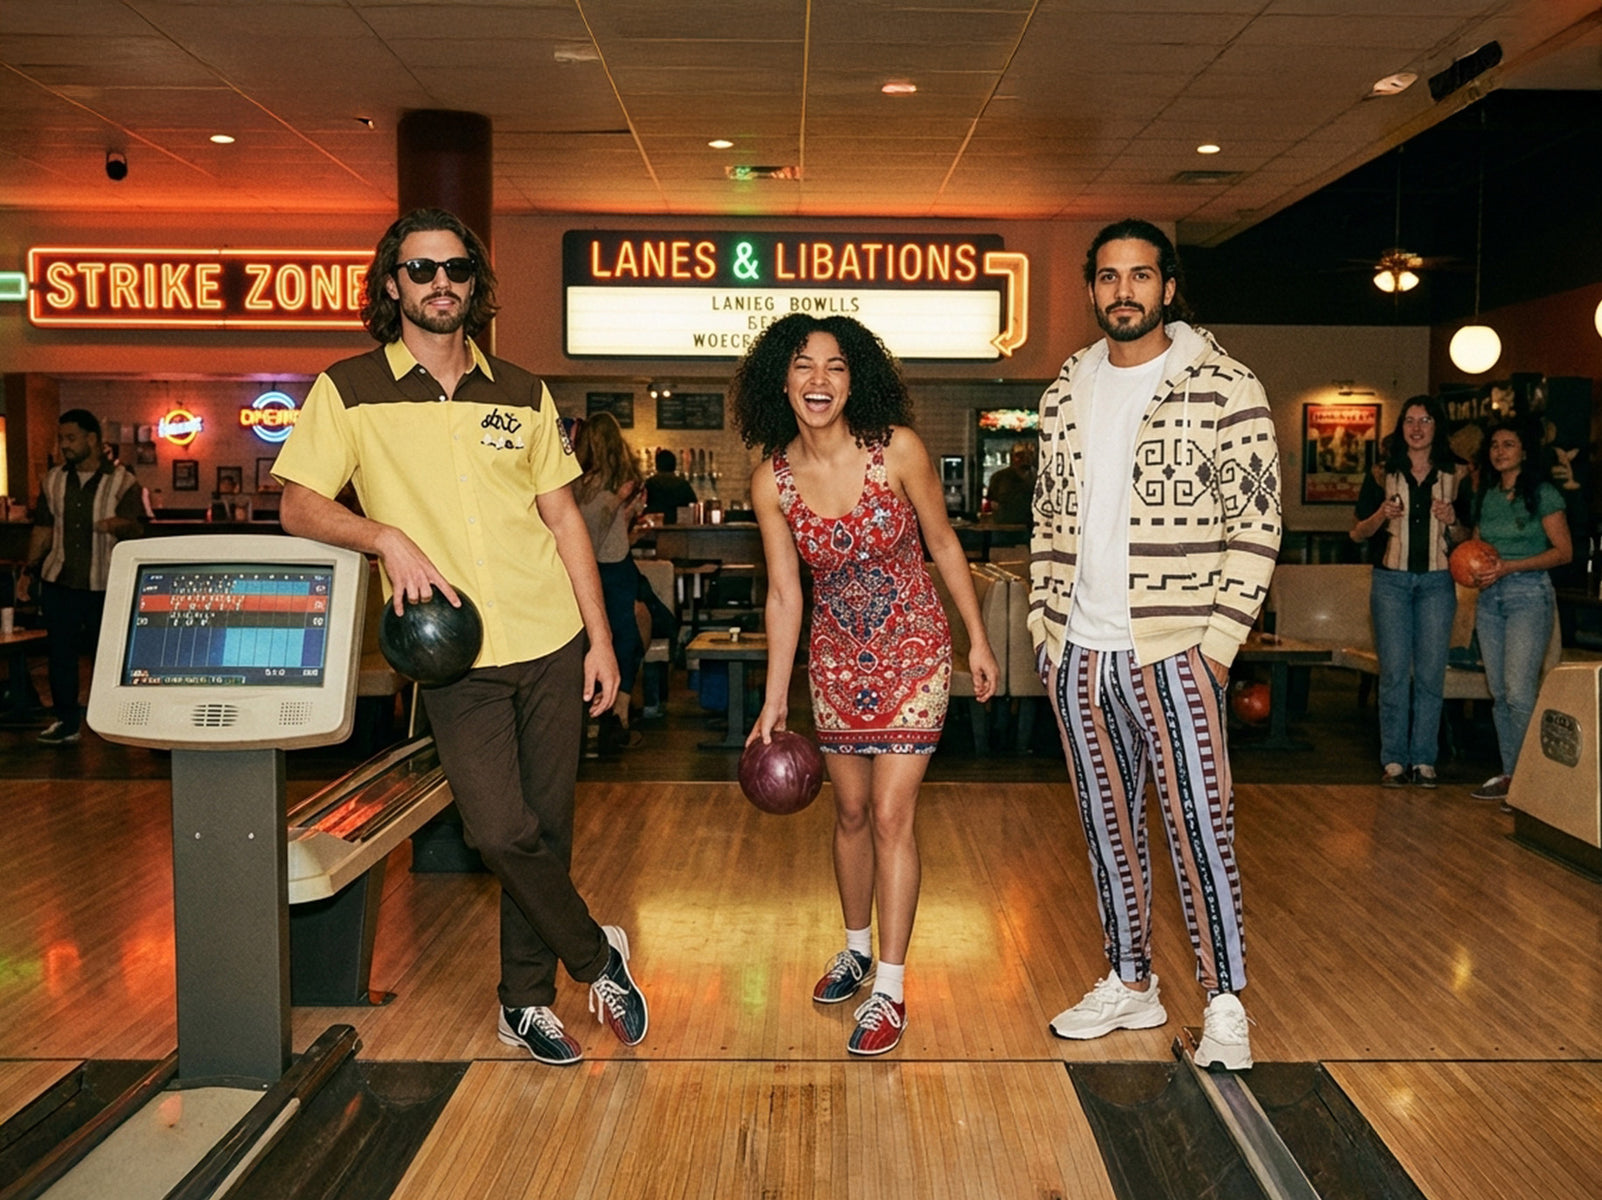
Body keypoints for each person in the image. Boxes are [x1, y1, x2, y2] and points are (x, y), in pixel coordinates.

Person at [273, 207, 647, 1066]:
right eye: (419, 269)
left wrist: (601, 640)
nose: (439, 282)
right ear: (392, 284)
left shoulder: (520, 389)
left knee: (547, 832)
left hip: (551, 639)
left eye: (455, 269)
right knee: (497, 831)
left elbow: (563, 523)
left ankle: (526, 1001)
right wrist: (384, 537)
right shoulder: (351, 388)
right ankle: (597, 955)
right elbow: (297, 502)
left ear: (474, 285)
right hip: (453, 656)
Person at [1028, 218, 1280, 1071]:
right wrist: (1044, 628)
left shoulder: (1224, 384)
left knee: (1200, 827)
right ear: (1092, 288)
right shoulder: (1065, 390)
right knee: (1107, 829)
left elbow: (1258, 520)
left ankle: (1223, 1002)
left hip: (1177, 648)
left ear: (1168, 286)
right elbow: (1047, 518)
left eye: (1140, 275)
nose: (1123, 291)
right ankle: (1131, 979)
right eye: (1107, 277)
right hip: (1080, 650)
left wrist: (1216, 646)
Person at [732, 312, 999, 1057]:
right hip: (836, 660)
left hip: (914, 650)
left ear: (857, 380)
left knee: (888, 816)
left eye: (837, 367)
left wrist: (976, 639)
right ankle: (853, 949)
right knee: (847, 813)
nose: (820, 381)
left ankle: (890, 986)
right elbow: (785, 593)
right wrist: (775, 696)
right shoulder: (772, 481)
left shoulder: (897, 451)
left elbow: (944, 543)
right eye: (804, 366)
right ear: (780, 379)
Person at [1349, 395, 1469, 788]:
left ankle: (1424, 760)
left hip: (1438, 582)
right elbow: (1357, 532)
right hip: (1391, 582)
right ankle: (1394, 761)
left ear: (1438, 427)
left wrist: (1453, 522)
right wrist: (1380, 514)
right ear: (1401, 427)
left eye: (1426, 420)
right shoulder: (1383, 472)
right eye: (1410, 421)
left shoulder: (1459, 474)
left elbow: (1471, 538)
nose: (1417, 428)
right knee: (1396, 674)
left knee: (1432, 675)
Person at [16, 410, 145, 745]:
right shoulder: (53, 480)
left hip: (106, 584)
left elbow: (138, 529)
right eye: (61, 439)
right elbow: (43, 528)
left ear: (93, 440)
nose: (64, 446)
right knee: (60, 654)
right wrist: (29, 571)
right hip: (60, 579)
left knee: (110, 656)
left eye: (71, 438)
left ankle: (114, 723)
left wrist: (116, 525)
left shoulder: (123, 482)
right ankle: (66, 721)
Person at [1464, 420, 1572, 806]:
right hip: (1491, 597)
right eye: (1494, 445)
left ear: (1525, 451)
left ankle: (1533, 781)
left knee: (1520, 691)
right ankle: (1512, 775)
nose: (1499, 451)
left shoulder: (1543, 493)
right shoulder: (1486, 494)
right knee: (1500, 693)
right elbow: (1478, 545)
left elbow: (1563, 552)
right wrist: (1475, 568)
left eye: (1509, 444)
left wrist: (1509, 567)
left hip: (1529, 593)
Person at [572, 412, 647, 753]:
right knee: (627, 637)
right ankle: (616, 716)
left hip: (583, 571)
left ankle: (609, 716)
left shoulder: (575, 484)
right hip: (611, 569)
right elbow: (598, 537)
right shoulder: (614, 487)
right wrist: (621, 504)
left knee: (595, 642)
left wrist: (626, 512)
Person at [985, 440, 1038, 526]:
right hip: (1004, 529)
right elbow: (993, 504)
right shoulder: (999, 477)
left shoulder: (1039, 477)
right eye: (1020, 455)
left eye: (1030, 454)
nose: (1025, 459)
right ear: (1012, 457)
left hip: (1031, 528)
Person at [643, 449, 697, 523]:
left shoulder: (650, 483)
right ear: (674, 465)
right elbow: (693, 503)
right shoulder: (682, 484)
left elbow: (640, 504)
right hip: (677, 525)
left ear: (657, 465)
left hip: (655, 524)